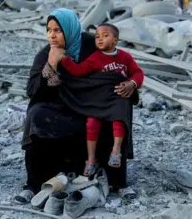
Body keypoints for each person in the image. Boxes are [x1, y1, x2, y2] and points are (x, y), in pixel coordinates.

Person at [16, 8, 137, 202]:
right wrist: (52, 65)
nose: (52, 35)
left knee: (119, 105)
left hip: (93, 105)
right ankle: (34, 183)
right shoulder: (47, 54)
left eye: (58, 30)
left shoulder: (93, 44)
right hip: (61, 108)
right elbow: (33, 91)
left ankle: (118, 182)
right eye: (49, 30)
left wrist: (130, 84)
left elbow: (118, 65)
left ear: (70, 29)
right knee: (37, 114)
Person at [59, 23, 144, 176]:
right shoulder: (95, 58)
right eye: (97, 36)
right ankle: (91, 160)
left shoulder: (125, 57)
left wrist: (132, 83)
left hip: (118, 97)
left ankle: (116, 151)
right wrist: (65, 60)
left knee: (119, 118)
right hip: (99, 99)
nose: (99, 39)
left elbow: (138, 72)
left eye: (105, 36)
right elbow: (79, 71)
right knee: (92, 123)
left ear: (115, 40)